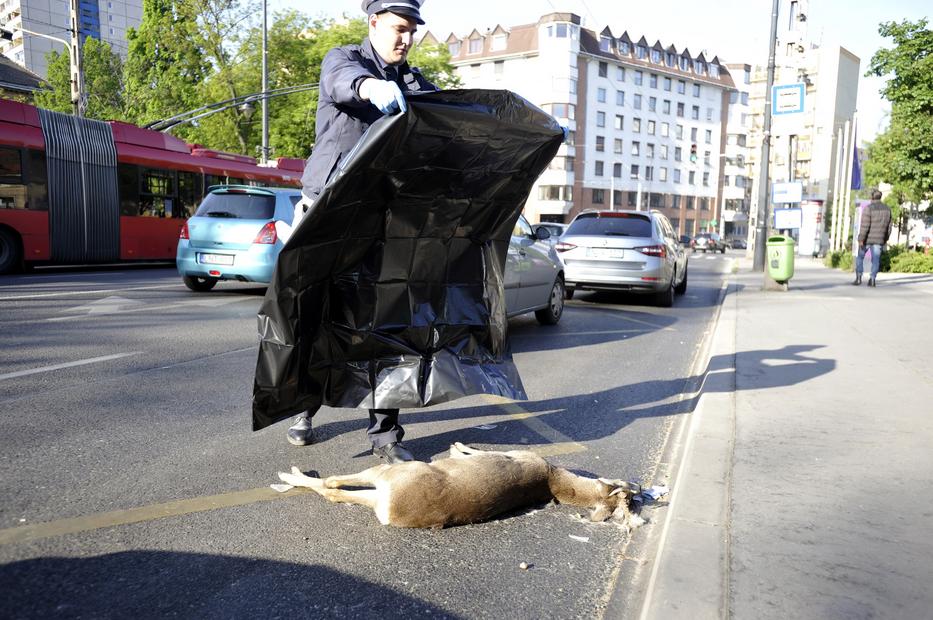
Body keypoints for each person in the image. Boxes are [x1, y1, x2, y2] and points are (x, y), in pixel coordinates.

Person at [286, 0, 437, 463]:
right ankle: (303, 406)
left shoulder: (412, 81)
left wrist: (523, 126)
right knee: (313, 317)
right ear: (373, 23)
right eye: (397, 28)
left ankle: (386, 438)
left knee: (386, 325)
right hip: (326, 211)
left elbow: (452, 115)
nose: (405, 39)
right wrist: (370, 86)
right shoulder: (343, 59)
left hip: (380, 217)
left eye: (412, 31)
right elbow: (342, 82)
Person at [853, 189, 892, 287]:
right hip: (879, 240)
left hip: (867, 239)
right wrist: (885, 239)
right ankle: (873, 279)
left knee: (860, 257)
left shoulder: (868, 208)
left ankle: (858, 278)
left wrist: (861, 238)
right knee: (876, 260)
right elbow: (889, 227)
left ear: (871, 197)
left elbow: (865, 226)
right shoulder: (887, 209)